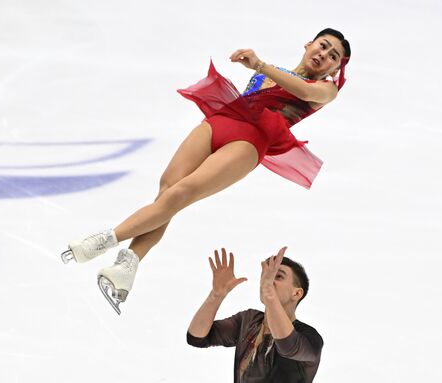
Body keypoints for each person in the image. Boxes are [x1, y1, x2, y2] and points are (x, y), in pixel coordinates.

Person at [60, 28, 351, 314]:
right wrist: (262, 68)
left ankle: (105, 240)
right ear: (308, 44)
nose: (324, 54)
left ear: (335, 68)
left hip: (249, 142)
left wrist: (261, 65)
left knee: (182, 193)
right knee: (168, 189)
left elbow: (300, 89)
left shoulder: (326, 90)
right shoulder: (274, 70)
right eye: (323, 46)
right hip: (222, 120)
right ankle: (128, 266)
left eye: (332, 56)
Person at [187, 247, 323, 383]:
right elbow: (196, 337)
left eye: (278, 276)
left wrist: (269, 294)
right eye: (266, 276)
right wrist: (216, 295)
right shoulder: (248, 321)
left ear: (297, 293)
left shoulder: (310, 337)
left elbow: (288, 345)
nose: (267, 281)